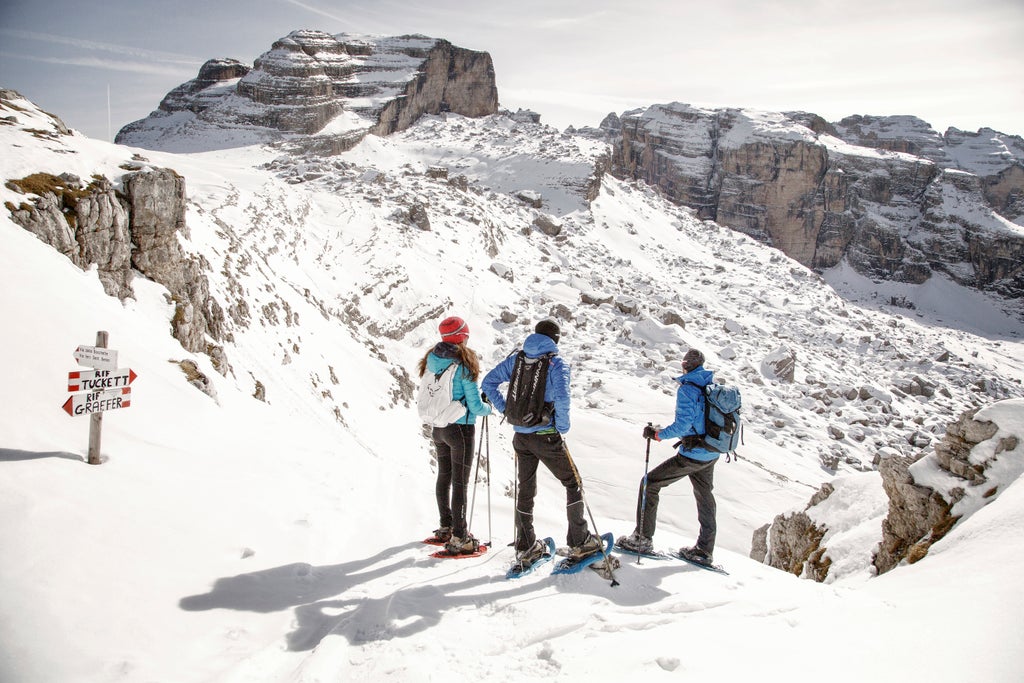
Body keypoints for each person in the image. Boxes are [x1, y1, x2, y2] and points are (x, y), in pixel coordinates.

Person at [481, 319, 602, 567]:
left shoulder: (517, 359)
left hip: (521, 437)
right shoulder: (557, 363)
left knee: (525, 489)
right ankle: (580, 542)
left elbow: (488, 383)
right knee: (573, 482)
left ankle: (526, 545)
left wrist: (507, 410)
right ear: (555, 339)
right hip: (546, 435)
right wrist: (562, 427)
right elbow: (563, 397)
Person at [617, 348, 719, 566]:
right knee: (704, 496)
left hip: (693, 454)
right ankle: (704, 549)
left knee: (649, 484)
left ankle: (642, 539)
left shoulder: (688, 389)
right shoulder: (710, 386)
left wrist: (657, 434)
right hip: (711, 451)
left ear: (685, 366)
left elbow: (683, 425)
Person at [418, 316, 492, 554]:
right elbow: (475, 405)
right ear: (463, 336)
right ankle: (461, 537)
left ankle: (445, 527)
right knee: (460, 483)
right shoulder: (463, 362)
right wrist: (488, 407)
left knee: (444, 477)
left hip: (438, 427)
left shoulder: (432, 359)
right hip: (460, 429)